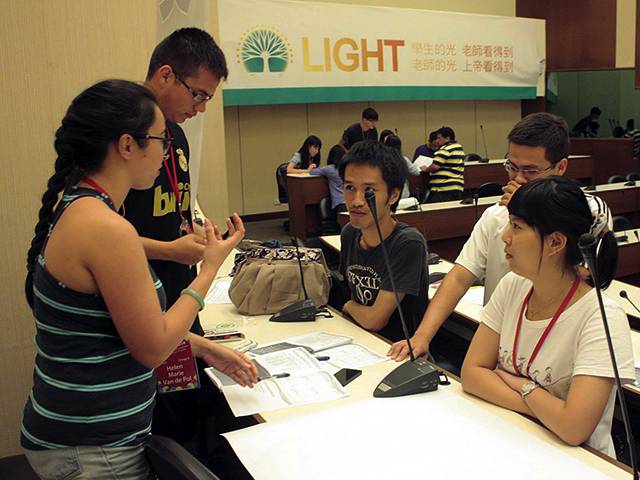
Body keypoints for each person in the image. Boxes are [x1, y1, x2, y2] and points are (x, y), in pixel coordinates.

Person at [21, 79, 257, 479]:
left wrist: (203, 348)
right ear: (128, 146)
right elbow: (151, 348)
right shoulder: (107, 228)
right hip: (94, 449)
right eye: (161, 140)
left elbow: (124, 325)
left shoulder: (81, 208)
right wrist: (210, 268)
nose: (166, 152)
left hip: (82, 438)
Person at [122, 28, 251, 463]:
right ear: (165, 75)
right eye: (197, 95)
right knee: (156, 433)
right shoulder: (123, 133)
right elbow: (106, 239)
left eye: (207, 100)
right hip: (140, 306)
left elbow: (170, 214)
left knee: (185, 416)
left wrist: (197, 238)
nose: (199, 109)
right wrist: (171, 250)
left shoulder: (172, 134)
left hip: (179, 298)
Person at [388, 112, 612, 362]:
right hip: (500, 344)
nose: (517, 178)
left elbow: (586, 278)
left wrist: (526, 210)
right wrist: (422, 336)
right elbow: (460, 277)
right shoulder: (495, 215)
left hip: (558, 348)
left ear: (560, 167)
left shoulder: (588, 213)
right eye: (512, 167)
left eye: (530, 171)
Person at [461, 176, 633, 456]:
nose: (505, 236)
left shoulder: (601, 318)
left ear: (555, 242)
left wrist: (519, 383)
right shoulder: (513, 286)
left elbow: (573, 428)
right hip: (514, 438)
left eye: (516, 226)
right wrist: (545, 408)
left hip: (579, 461)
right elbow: (471, 374)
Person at [338, 141, 429, 341]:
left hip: (395, 351)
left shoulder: (408, 243)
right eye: (349, 187)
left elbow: (375, 320)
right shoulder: (350, 233)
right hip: (357, 337)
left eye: (369, 191)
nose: (356, 200)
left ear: (394, 195)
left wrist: (349, 306)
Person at [423, 126, 465, 202]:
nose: (437, 141)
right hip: (457, 187)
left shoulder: (445, 149)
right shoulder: (459, 148)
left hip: (443, 189)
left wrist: (426, 169)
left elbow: (435, 166)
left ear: (447, 138)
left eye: (439, 138)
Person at [309, 144, 346, 213]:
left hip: (339, 203)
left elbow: (312, 172)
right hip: (349, 202)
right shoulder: (347, 168)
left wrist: (311, 167)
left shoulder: (329, 169)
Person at [383, 134, 421, 199]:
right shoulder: (403, 159)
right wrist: (419, 168)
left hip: (386, 193)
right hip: (403, 193)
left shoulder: (380, 160)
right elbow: (416, 172)